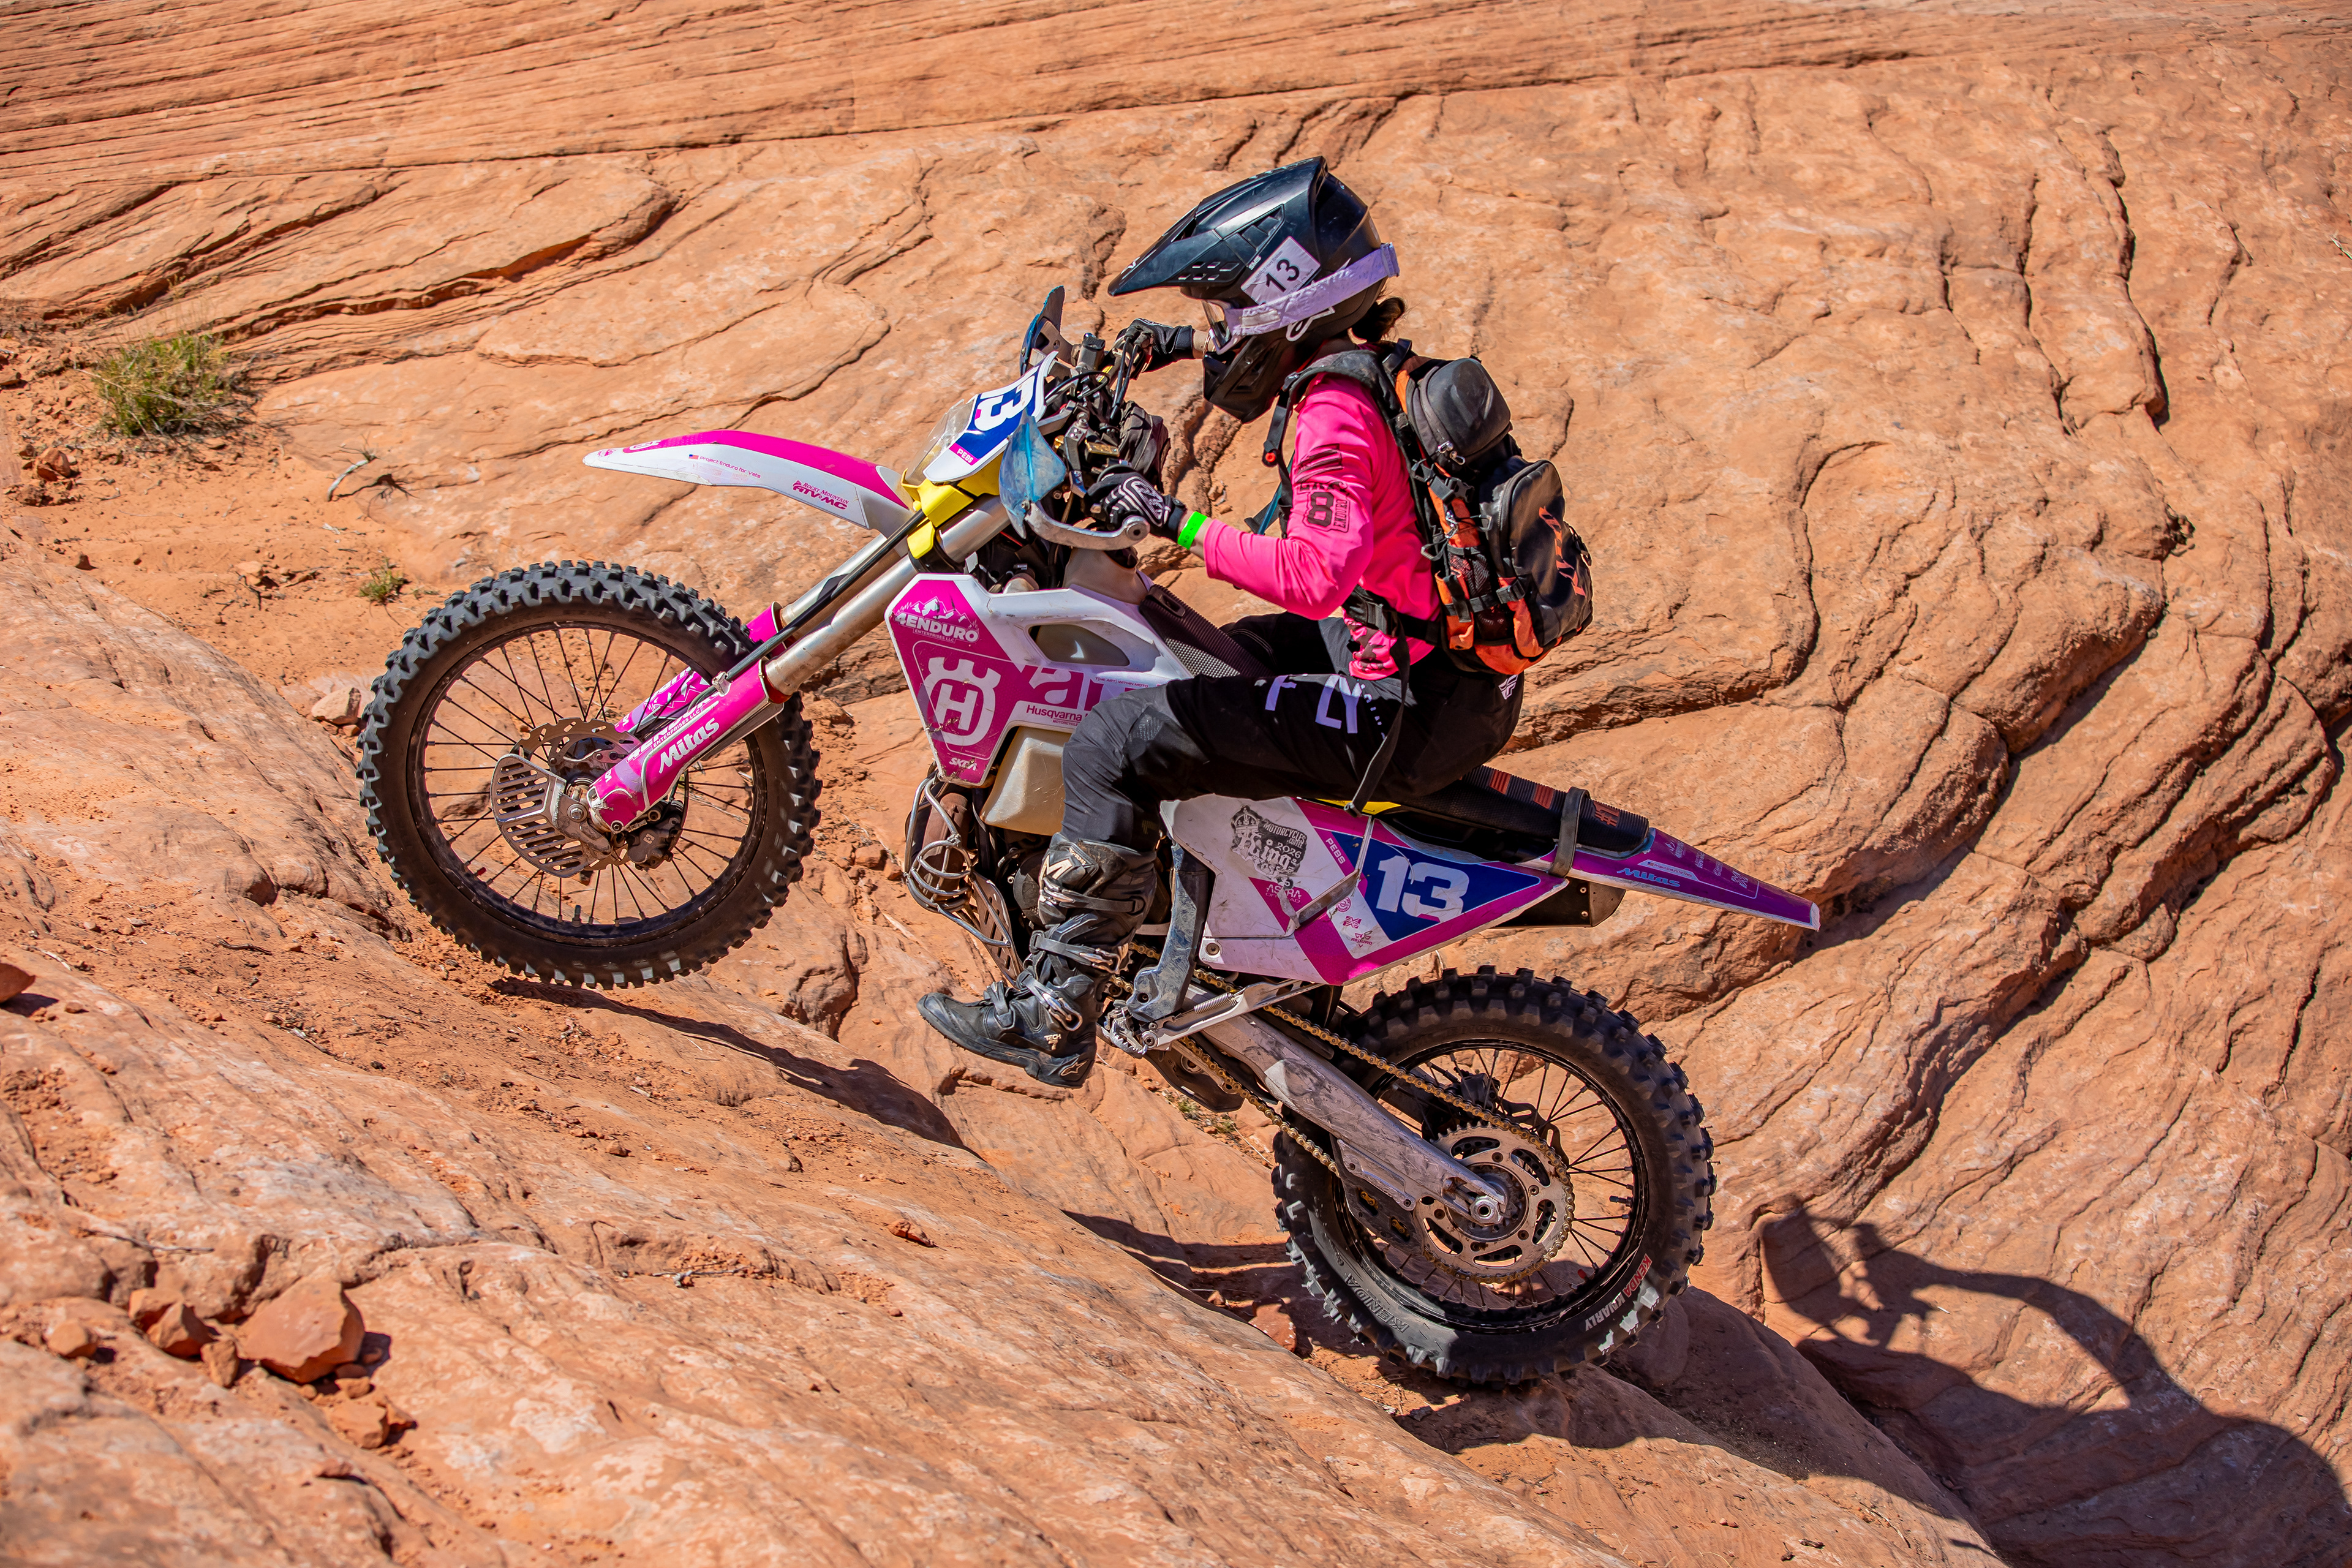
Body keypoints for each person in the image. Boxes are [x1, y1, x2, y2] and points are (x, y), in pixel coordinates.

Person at [918, 157, 1526, 1088]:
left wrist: (1173, 521)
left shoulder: (1333, 416)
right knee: (1204, 659)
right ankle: (1216, 920)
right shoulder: (1369, 369)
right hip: (1432, 669)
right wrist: (1166, 345)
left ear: (1286, 307)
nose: (1221, 334)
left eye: (1227, 314)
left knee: (1114, 741)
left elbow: (1314, 578)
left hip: (1399, 711)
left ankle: (1055, 1011)